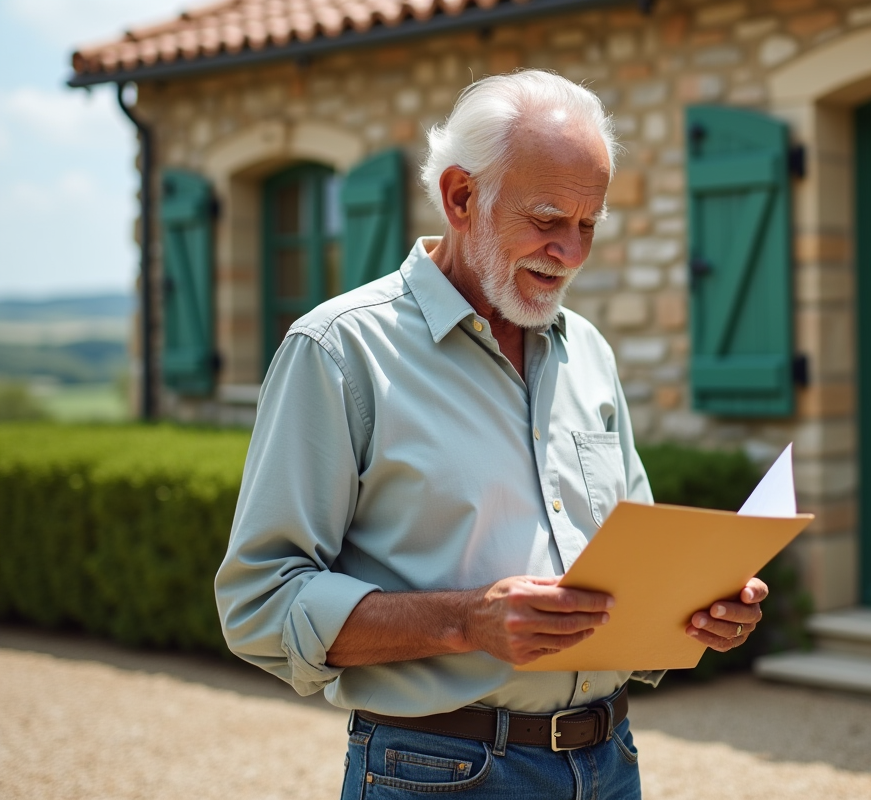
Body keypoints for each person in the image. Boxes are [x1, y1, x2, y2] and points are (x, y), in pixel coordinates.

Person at [215, 69, 768, 799]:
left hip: (611, 762)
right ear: (461, 197)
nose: (570, 252)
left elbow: (631, 559)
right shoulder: (339, 351)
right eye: (547, 219)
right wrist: (466, 623)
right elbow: (259, 605)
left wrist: (698, 609)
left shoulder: (590, 352)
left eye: (588, 225)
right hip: (439, 773)